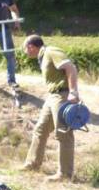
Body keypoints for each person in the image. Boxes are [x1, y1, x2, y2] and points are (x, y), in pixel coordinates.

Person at [21, 35, 81, 182]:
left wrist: (73, 92)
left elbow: (70, 67)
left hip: (62, 95)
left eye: (25, 49)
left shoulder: (51, 51)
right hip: (52, 97)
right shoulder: (42, 57)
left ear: (31, 46)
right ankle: (32, 164)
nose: (25, 52)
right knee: (40, 129)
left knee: (63, 133)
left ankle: (65, 174)